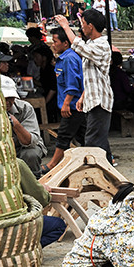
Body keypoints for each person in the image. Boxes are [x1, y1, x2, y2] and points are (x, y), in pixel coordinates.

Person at [54, 9, 114, 163]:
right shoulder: (93, 44)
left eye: (83, 24)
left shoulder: (101, 45)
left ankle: (99, 175)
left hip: (100, 101)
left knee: (93, 142)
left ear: (90, 26)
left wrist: (66, 27)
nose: (82, 28)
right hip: (93, 99)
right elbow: (92, 77)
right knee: (98, 141)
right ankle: (110, 176)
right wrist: (83, 96)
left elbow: (79, 46)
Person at [42, 27, 85, 175]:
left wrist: (66, 103)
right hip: (75, 105)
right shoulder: (64, 58)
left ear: (66, 43)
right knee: (84, 136)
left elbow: (73, 84)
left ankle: (52, 165)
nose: (53, 45)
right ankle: (105, 158)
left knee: (63, 135)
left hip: (73, 106)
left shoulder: (69, 58)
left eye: (55, 41)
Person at [2, 76, 46, 175]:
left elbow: (30, 141)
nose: (8, 102)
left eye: (11, 98)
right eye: (4, 98)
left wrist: (16, 124)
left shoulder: (25, 108)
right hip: (2, 149)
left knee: (31, 154)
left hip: (24, 147)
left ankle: (35, 179)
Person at [17, 158, 66, 247]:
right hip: (13, 226)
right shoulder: (16, 164)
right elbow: (39, 198)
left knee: (31, 153)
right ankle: (29, 249)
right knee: (59, 225)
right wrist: (44, 192)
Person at [31, 44, 58, 121]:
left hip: (53, 100)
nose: (34, 60)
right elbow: (44, 84)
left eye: (36, 57)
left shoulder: (51, 70)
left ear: (44, 58)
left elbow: (53, 89)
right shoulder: (42, 69)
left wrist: (44, 103)